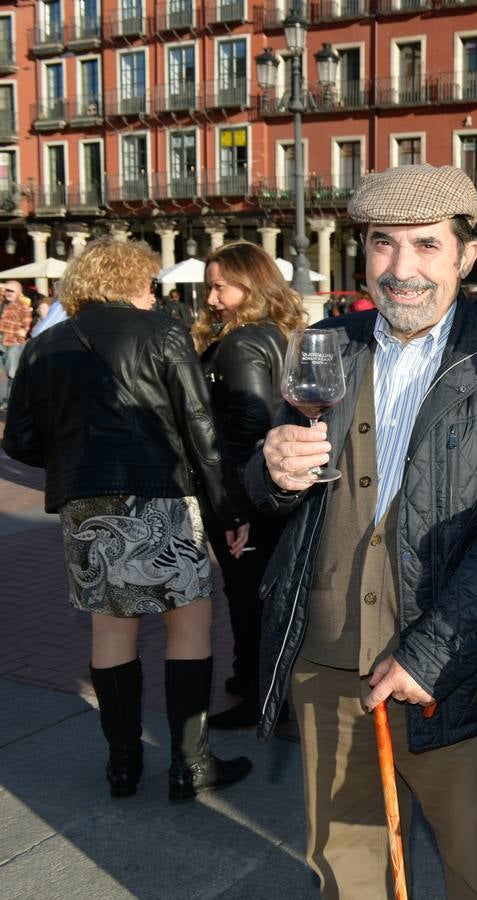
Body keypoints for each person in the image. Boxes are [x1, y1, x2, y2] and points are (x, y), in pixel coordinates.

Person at [245, 163, 477, 899]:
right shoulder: (326, 344)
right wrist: (268, 472)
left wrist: (432, 651)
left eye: (426, 247)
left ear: (467, 256)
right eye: (384, 245)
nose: (402, 269)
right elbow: (268, 491)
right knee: (345, 872)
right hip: (327, 664)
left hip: (448, 669)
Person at [1, 237, 253, 802]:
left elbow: (18, 439)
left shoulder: (47, 345)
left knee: (111, 630)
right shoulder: (163, 331)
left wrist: (72, 459)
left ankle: (123, 765)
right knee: (189, 622)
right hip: (160, 495)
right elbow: (200, 427)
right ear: (134, 282)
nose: (153, 292)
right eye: (149, 283)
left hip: (88, 505)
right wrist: (230, 508)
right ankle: (191, 763)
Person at [191, 241, 308, 729]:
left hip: (248, 493)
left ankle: (261, 694)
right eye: (209, 288)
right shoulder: (280, 333)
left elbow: (248, 429)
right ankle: (261, 684)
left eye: (220, 287)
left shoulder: (241, 343)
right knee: (265, 592)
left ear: (251, 285)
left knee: (246, 596)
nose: (212, 298)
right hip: (274, 487)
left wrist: (237, 510)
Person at [1, 280, 30, 412]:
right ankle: (2, 401)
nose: (8, 293)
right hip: (1, 342)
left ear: (19, 293)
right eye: (7, 290)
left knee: (12, 374)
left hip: (14, 343)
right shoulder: (2, 302)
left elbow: (25, 328)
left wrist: (21, 334)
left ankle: (11, 402)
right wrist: (5, 287)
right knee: (1, 374)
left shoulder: (23, 306)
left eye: (11, 291)